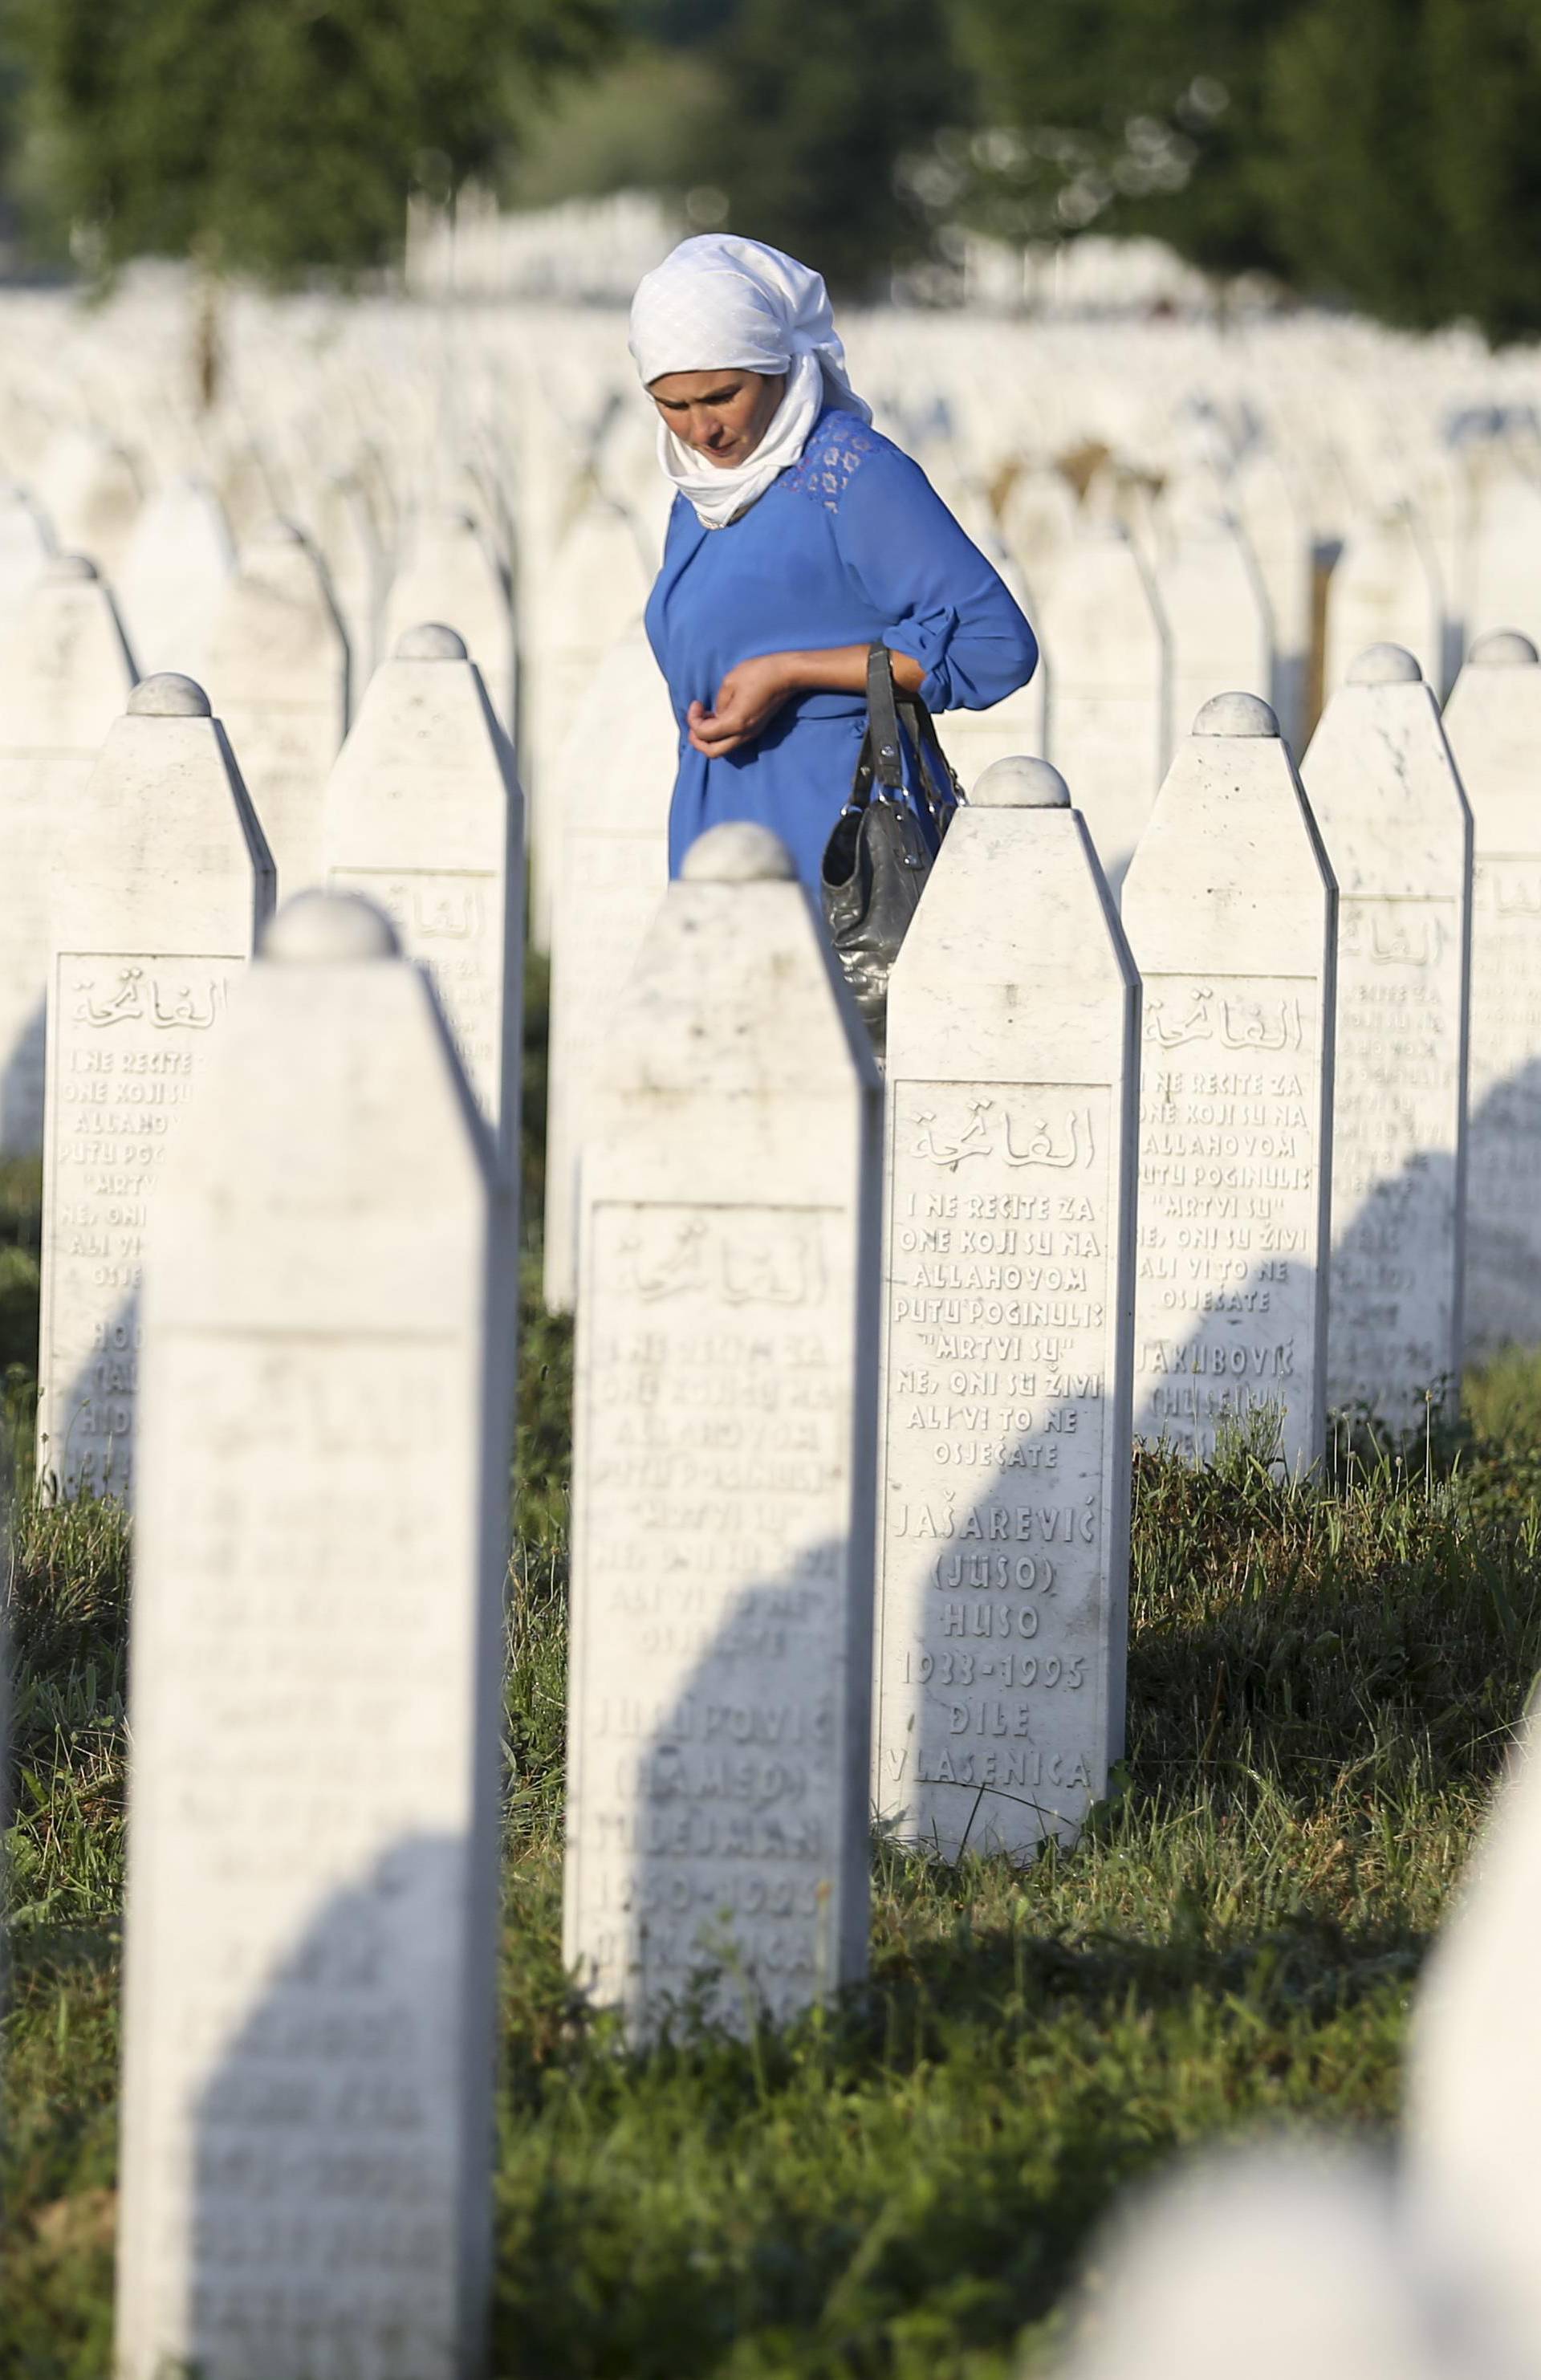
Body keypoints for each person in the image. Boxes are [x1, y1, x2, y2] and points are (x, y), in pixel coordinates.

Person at [630, 234, 1039, 891]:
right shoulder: (701, 492)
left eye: (723, 396)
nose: (701, 432)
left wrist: (792, 673)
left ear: (781, 366)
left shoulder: (850, 475)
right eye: (672, 405)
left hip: (833, 843)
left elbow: (996, 646)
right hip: (715, 830)